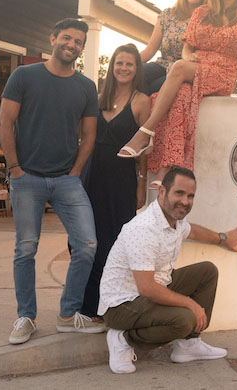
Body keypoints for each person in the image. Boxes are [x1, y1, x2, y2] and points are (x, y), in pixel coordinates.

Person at [0, 18, 106, 344]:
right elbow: (5, 121)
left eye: (78, 42)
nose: (72, 45)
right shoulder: (24, 75)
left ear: (82, 48)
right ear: (53, 38)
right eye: (67, 38)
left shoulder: (86, 87)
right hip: (26, 177)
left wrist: (75, 171)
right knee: (25, 249)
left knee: (87, 245)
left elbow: (89, 135)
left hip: (66, 181)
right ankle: (25, 317)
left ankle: (67, 315)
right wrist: (15, 168)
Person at [118, 0, 237, 185]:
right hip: (196, 65)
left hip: (224, 71)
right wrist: (187, 55)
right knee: (180, 96)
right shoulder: (203, 12)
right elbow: (188, 46)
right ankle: (166, 169)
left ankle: (145, 132)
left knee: (178, 67)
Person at [98, 166, 237, 374]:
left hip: (153, 289)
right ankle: (123, 339)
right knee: (185, 320)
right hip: (121, 306)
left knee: (207, 271)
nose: (185, 201)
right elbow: (146, 288)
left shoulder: (175, 220)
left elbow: (193, 231)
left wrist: (223, 238)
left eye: (190, 196)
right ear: (162, 191)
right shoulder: (143, 228)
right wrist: (191, 304)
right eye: (179, 193)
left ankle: (189, 345)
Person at [78, 44, 151, 318]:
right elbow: (85, 138)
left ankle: (112, 306)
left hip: (121, 179)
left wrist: (141, 183)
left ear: (136, 69)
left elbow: (144, 148)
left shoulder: (141, 101)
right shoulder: (99, 98)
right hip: (92, 175)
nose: (123, 68)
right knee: (88, 240)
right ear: (112, 67)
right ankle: (87, 306)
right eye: (119, 63)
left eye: (129, 64)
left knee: (116, 241)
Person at [140, 0, 211, 95]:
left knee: (153, 87)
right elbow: (150, 50)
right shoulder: (167, 15)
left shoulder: (207, 20)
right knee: (137, 73)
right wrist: (129, 61)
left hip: (182, 72)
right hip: (162, 65)